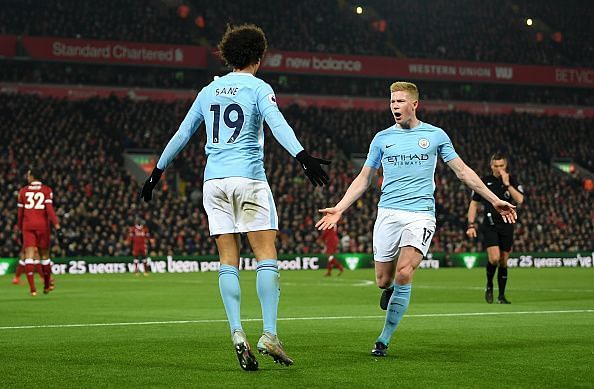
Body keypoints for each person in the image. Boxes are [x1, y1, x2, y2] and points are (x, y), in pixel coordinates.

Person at [140, 24, 330, 370]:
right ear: (259, 56)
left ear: (228, 55)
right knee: (265, 255)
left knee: (228, 258)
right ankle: (269, 334)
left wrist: (157, 172)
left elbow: (182, 133)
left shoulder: (208, 90)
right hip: (248, 178)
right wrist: (303, 157)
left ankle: (237, 332)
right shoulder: (258, 87)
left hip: (213, 182)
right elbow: (277, 123)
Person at [315, 81, 516, 358]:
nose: (394, 106)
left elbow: (463, 171)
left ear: (414, 104)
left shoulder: (435, 136)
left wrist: (494, 200)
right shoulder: (382, 138)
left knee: (404, 272)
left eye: (399, 101)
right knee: (383, 281)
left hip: (421, 214)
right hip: (388, 212)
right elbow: (364, 178)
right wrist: (339, 208)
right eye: (391, 102)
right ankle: (391, 291)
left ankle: (383, 339)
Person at [466, 152, 524, 304]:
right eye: (496, 166)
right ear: (491, 166)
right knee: (494, 258)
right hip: (490, 225)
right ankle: (490, 285)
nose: (499, 169)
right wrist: (471, 225)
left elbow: (520, 199)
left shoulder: (511, 180)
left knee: (504, 261)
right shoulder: (484, 181)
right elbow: (473, 203)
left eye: (502, 166)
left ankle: (501, 296)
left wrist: (507, 185)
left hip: (507, 225)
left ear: (506, 166)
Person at [17, 167, 61, 296]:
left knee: (29, 256)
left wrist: (20, 228)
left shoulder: (23, 191)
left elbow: (20, 214)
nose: (27, 177)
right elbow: (49, 209)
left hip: (28, 225)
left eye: (28, 175)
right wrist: (57, 225)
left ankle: (33, 289)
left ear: (32, 177)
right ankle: (47, 285)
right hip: (43, 226)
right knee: (45, 257)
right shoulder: (47, 190)